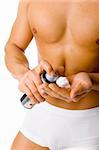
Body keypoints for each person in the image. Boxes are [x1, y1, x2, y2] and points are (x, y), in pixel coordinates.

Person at [5, 0, 99, 149]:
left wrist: (92, 80)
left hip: (90, 128)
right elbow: (13, 46)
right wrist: (23, 73)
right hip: (41, 116)